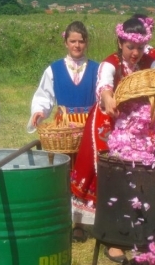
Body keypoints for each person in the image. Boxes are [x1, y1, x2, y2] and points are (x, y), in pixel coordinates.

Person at [70, 17, 155, 263]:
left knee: (141, 176)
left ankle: (142, 231)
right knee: (111, 176)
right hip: (107, 123)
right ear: (120, 42)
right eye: (130, 47)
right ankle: (112, 238)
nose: (135, 53)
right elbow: (104, 86)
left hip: (138, 126)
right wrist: (108, 97)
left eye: (139, 47)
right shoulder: (110, 63)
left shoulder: (151, 60)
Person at [26, 21, 99, 243]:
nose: (77, 45)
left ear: (86, 42)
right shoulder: (54, 69)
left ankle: (80, 223)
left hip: (88, 126)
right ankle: (61, 218)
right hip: (64, 127)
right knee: (64, 171)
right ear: (65, 42)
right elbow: (44, 96)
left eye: (81, 41)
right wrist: (39, 112)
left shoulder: (97, 68)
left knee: (85, 173)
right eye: (73, 41)